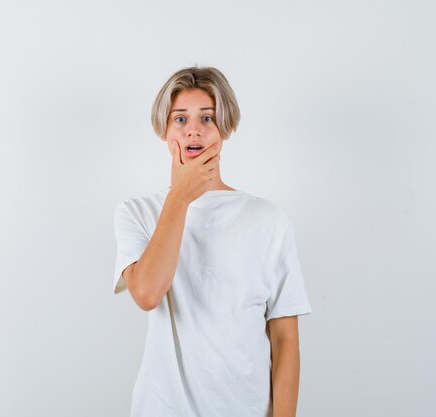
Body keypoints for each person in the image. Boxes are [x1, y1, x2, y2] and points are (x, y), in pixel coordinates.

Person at [112, 66, 312, 417]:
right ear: (164, 131)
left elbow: (284, 339)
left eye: (207, 118)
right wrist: (180, 198)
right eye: (180, 119)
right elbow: (146, 294)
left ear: (225, 128)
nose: (194, 129)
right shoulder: (136, 213)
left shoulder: (269, 220)